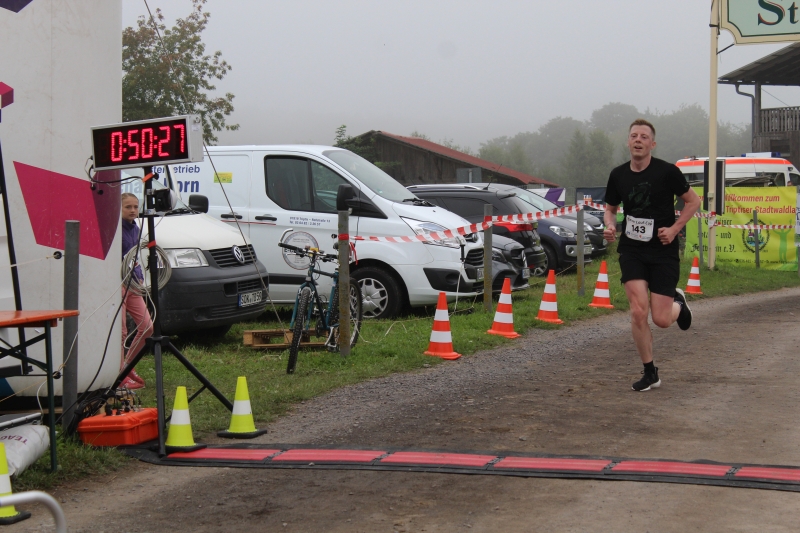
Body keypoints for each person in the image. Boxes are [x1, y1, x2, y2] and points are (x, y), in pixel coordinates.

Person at [603, 119, 701, 392]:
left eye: (644, 137)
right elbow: (610, 208)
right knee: (637, 311)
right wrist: (610, 225)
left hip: (662, 251)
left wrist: (675, 228)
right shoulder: (618, 174)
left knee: (660, 319)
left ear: (652, 144)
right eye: (633, 135)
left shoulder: (668, 172)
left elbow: (694, 201)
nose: (638, 140)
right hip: (632, 249)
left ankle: (677, 303)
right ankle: (650, 372)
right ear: (628, 142)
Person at [120, 192, 154, 389]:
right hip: (119, 283)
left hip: (134, 281)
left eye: (135, 207)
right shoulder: (115, 230)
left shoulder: (136, 228)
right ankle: (118, 376)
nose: (133, 210)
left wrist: (139, 275)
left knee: (147, 326)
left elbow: (134, 255)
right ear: (119, 209)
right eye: (128, 207)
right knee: (121, 331)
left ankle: (127, 365)